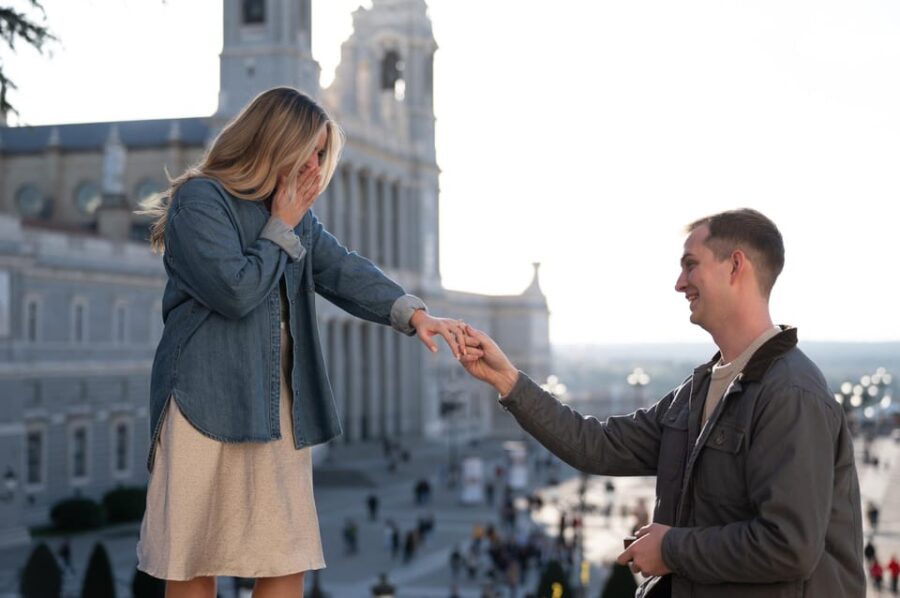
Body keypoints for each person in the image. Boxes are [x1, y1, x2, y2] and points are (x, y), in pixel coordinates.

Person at [134, 87, 474, 598]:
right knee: (193, 561)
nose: (316, 166)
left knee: (284, 559)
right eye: (310, 151)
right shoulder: (199, 200)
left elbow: (342, 269)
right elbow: (235, 290)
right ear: (275, 141)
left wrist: (413, 313)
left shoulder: (294, 214)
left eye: (322, 154)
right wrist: (282, 225)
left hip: (276, 410)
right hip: (202, 403)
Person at [460, 209, 865, 597]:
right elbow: (598, 445)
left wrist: (669, 549)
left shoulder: (792, 394)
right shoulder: (700, 390)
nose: (679, 283)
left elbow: (788, 546)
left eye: (691, 264)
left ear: (735, 266)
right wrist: (507, 380)